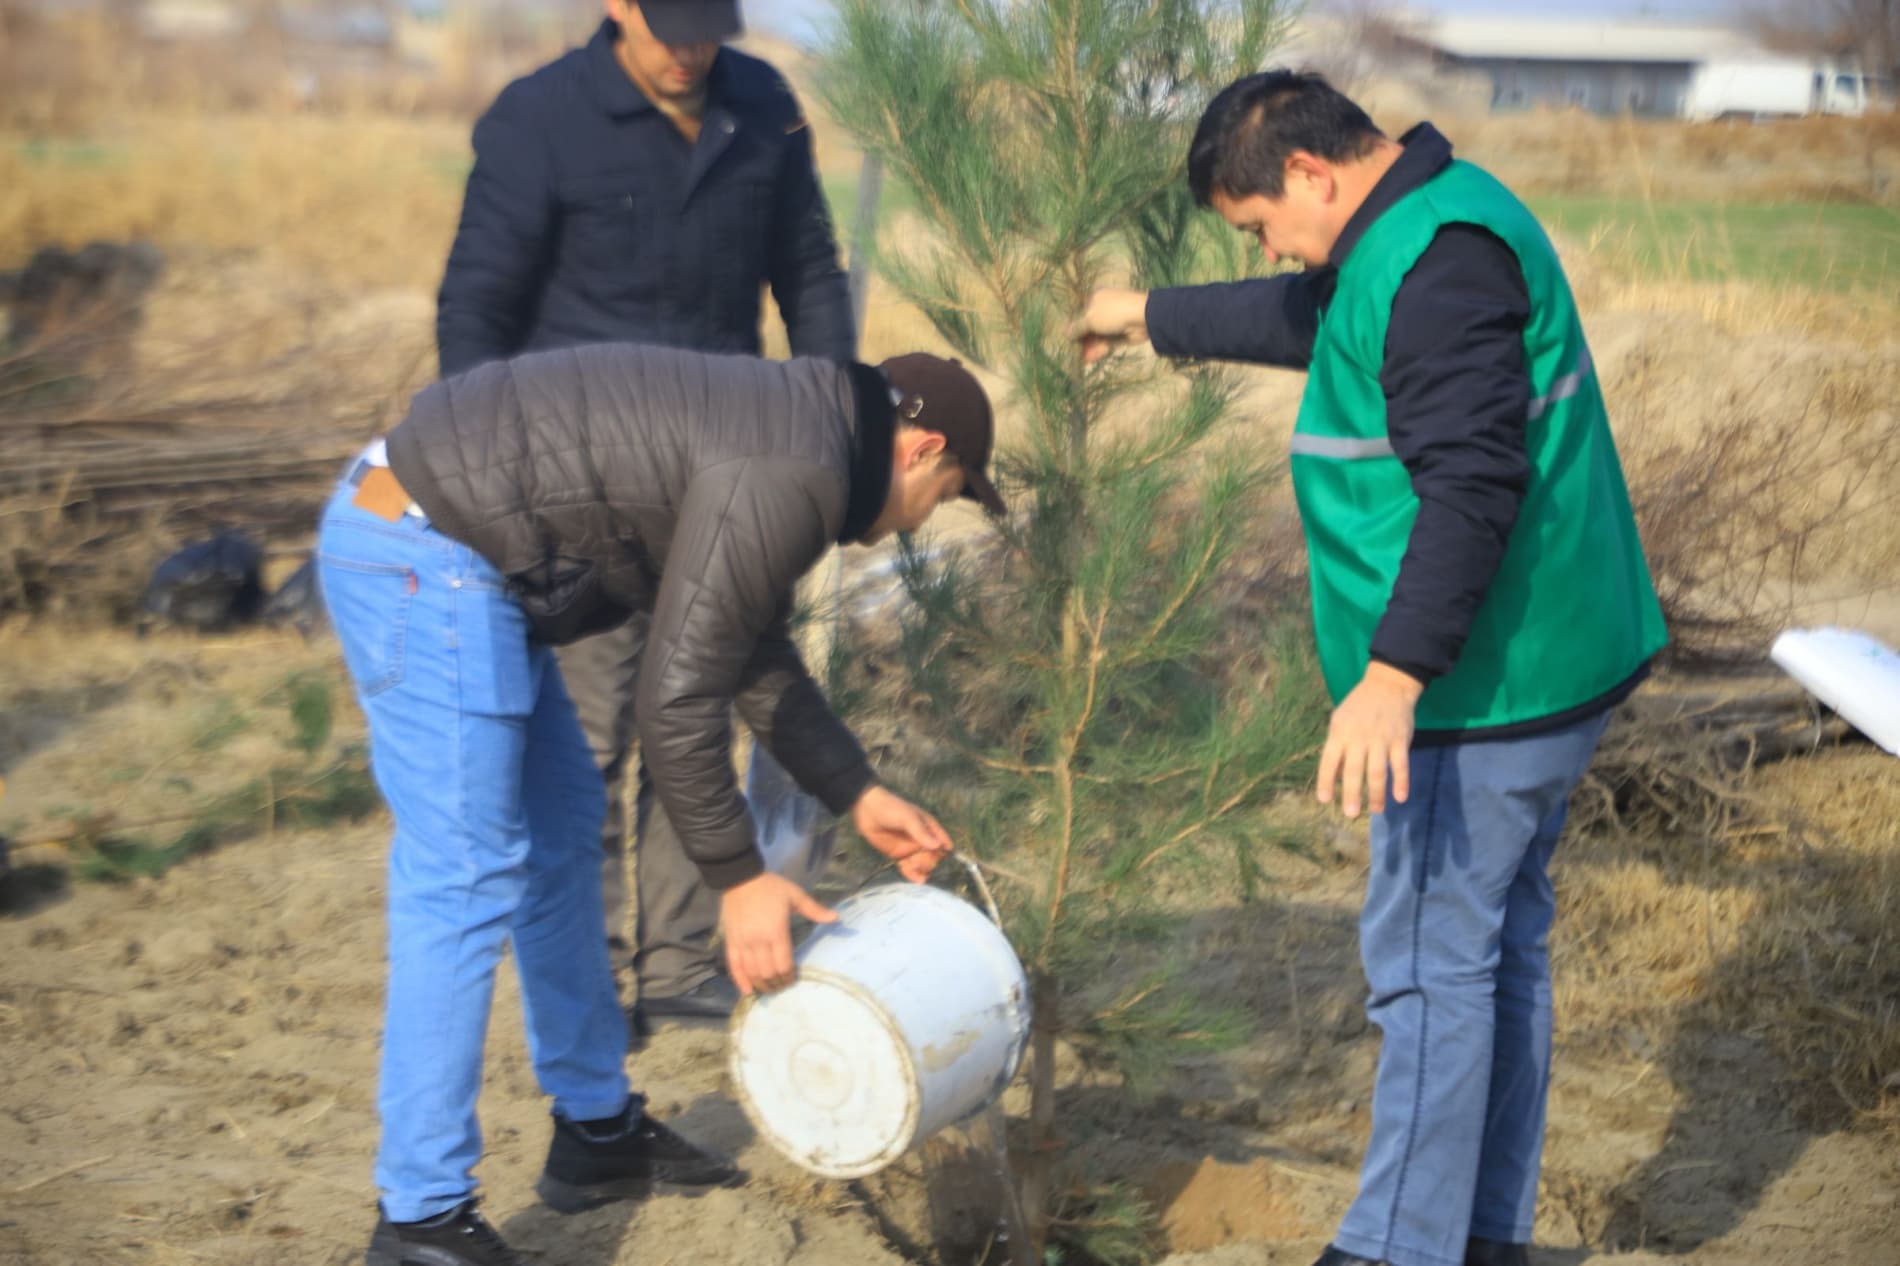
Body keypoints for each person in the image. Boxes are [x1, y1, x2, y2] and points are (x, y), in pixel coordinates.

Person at [1072, 71, 1666, 1266]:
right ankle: (1482, 1234)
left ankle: (1398, 1246)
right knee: (1496, 958)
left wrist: (1393, 676)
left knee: (1427, 971)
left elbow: (1470, 487)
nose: (1274, 251)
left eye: (1261, 226)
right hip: (1542, 668)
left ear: (1309, 172)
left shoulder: (1436, 265)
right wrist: (1142, 313)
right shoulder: (1428, 220)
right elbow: (1312, 318)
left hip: (1479, 689)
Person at [320, 344, 1005, 1266]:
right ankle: (422, 1217)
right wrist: (738, 877)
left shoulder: (806, 441)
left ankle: (595, 1131)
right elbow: (677, 698)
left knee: (562, 836)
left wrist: (857, 789)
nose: (926, 522)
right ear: (921, 449)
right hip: (420, 542)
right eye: (952, 492)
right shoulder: (794, 465)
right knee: (465, 875)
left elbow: (747, 652)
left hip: (460, 548)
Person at [436, 0, 856, 1028]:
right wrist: (497, 491)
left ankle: (680, 967)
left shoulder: (761, 107)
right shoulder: (540, 120)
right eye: (671, 28)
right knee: (585, 745)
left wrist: (836, 412)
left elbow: (807, 271)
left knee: (703, 714)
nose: (691, 52)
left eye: (710, 29)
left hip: (728, 479)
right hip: (579, 495)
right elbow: (475, 309)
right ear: (616, 5)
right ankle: (583, 976)